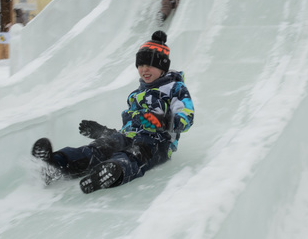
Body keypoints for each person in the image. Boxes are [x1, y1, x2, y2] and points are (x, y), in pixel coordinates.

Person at [31, 30, 195, 194]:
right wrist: (102, 132)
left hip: (157, 142)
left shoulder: (175, 88)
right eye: (141, 65)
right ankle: (55, 165)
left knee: (135, 155)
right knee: (97, 149)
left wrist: (164, 121)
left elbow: (187, 116)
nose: (145, 69)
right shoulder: (136, 95)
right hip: (128, 137)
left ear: (162, 67)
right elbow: (129, 129)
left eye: (150, 65)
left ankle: (113, 172)